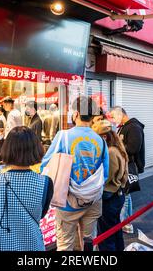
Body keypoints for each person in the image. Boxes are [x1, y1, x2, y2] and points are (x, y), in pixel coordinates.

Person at [40, 96, 109, 251]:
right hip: (93, 201)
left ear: (76, 114)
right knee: (88, 243)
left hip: (67, 203)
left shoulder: (63, 136)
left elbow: (46, 165)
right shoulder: (101, 141)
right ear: (92, 116)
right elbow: (105, 174)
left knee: (65, 245)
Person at [0, 126, 53, 251]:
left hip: (2, 246)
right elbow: (41, 214)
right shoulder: (45, 182)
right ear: (36, 150)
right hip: (33, 246)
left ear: (7, 149)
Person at [92, 120, 128, 251]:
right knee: (115, 230)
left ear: (104, 137)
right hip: (117, 195)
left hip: (110, 197)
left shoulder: (111, 152)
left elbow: (108, 178)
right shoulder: (118, 149)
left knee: (106, 237)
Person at [110, 106, 145, 234]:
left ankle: (124, 223)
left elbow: (133, 148)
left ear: (120, 114)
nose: (113, 120)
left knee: (125, 194)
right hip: (125, 165)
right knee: (126, 194)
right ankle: (126, 223)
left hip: (129, 166)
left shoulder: (134, 127)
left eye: (113, 117)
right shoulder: (125, 127)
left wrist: (117, 147)